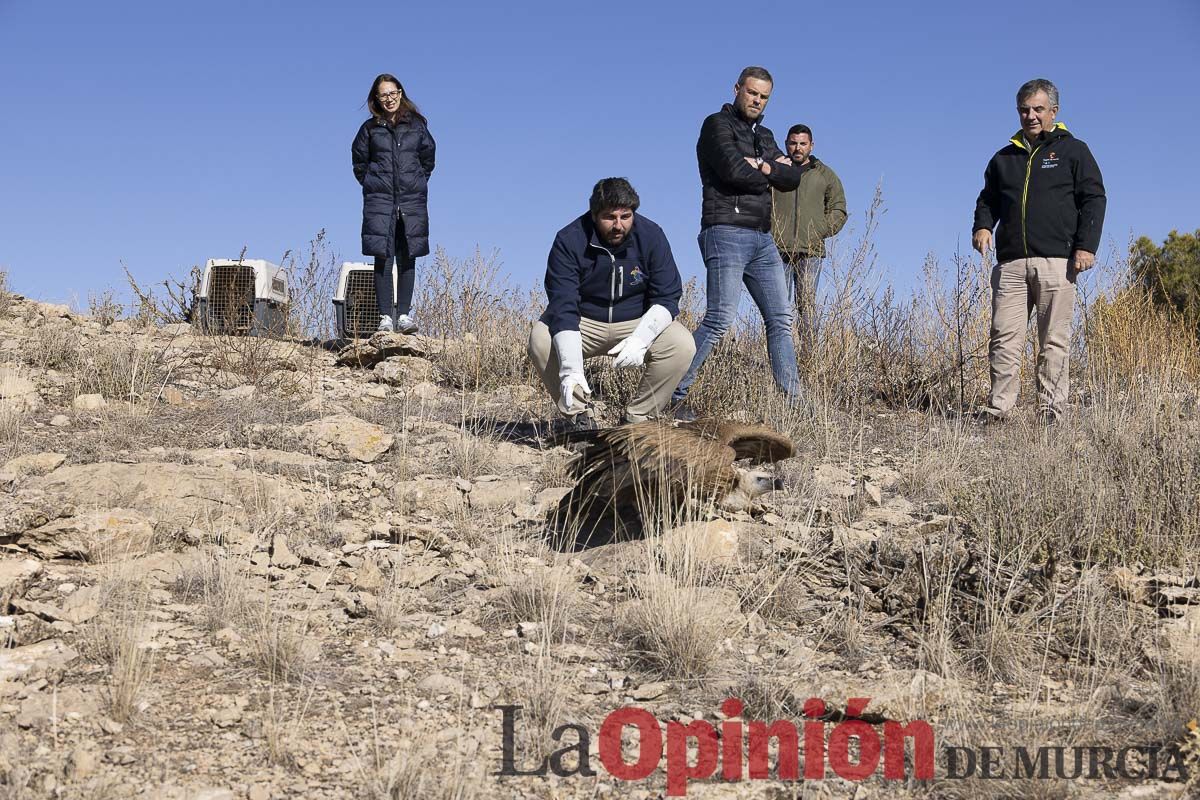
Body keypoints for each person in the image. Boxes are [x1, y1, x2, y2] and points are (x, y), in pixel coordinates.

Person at [671, 66, 807, 417]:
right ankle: (671, 394)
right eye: (752, 93)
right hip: (725, 231)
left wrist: (761, 165)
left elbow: (793, 176)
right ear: (737, 89)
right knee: (719, 319)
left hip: (762, 238)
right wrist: (769, 170)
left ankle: (794, 402)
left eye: (763, 97)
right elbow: (732, 171)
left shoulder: (766, 135)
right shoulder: (716, 125)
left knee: (780, 318)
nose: (757, 101)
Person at [972, 78, 1106, 424]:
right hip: (1011, 263)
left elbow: (1093, 198)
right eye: (1024, 109)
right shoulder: (1004, 158)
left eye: (1038, 109)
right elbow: (988, 200)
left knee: (1053, 340)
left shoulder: (1073, 150)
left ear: (1053, 112)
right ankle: (999, 409)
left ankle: (1050, 410)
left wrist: (1085, 246)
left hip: (1057, 263)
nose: (1031, 116)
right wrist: (983, 226)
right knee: (1004, 337)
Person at [528, 178, 695, 429]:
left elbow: (667, 296)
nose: (618, 225)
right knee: (540, 340)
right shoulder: (569, 239)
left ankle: (639, 419)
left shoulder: (651, 236)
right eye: (609, 217)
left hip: (636, 321)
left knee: (681, 344)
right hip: (584, 322)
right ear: (594, 214)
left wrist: (641, 339)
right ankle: (579, 416)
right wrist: (571, 369)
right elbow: (563, 304)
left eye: (625, 216)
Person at [351, 74, 435, 334]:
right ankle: (386, 316)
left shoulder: (417, 125)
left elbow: (428, 159)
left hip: (411, 200)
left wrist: (416, 181)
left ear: (401, 92)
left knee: (408, 257)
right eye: (382, 95)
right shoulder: (369, 129)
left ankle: (405, 316)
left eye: (392, 93)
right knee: (383, 258)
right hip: (380, 200)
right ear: (376, 99)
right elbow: (359, 162)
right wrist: (372, 183)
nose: (388, 99)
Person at [771, 124, 847, 357]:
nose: (798, 147)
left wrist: (818, 230)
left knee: (807, 308)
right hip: (777, 249)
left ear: (811, 145)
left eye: (803, 143)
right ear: (786, 144)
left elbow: (839, 209)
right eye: (793, 143)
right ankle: (781, 359)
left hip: (810, 251)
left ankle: (809, 359)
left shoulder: (824, 174)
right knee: (778, 309)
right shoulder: (776, 169)